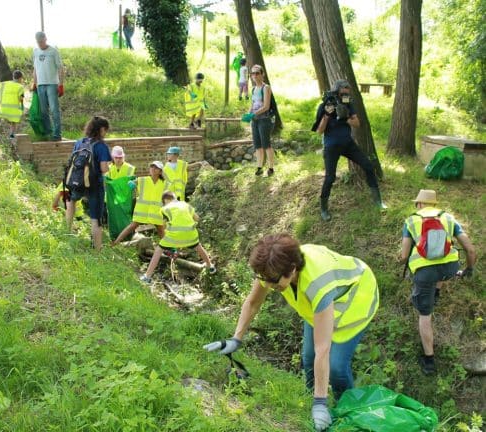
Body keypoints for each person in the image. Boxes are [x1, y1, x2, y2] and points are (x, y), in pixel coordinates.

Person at [204, 233, 379, 432]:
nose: (269, 286)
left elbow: (323, 349)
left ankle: (347, 411)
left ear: (292, 270)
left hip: (355, 301)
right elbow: (253, 303)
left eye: (274, 283)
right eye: (266, 281)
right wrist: (236, 338)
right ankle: (310, 401)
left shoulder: (317, 284)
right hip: (317, 306)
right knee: (307, 357)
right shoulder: (271, 269)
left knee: (337, 366)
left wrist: (321, 403)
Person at [400, 189, 476, 375]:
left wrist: (402, 259)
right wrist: (468, 269)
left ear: (418, 204)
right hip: (450, 268)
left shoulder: (411, 221)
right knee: (441, 273)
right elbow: (470, 249)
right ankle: (437, 292)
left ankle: (429, 361)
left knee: (425, 315)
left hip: (425, 274)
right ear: (434, 204)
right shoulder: (448, 218)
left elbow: (403, 256)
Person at [311, 79, 386, 221]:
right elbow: (319, 131)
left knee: (368, 166)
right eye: (345, 89)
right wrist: (327, 115)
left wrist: (344, 118)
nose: (347, 92)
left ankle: (378, 201)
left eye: (349, 89)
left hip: (348, 144)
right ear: (338, 90)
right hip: (331, 146)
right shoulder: (325, 105)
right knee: (330, 177)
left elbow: (357, 123)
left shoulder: (347, 103)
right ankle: (324, 208)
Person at [140, 191, 215, 283]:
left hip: (174, 236)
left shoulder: (164, 209)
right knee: (198, 246)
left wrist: (168, 241)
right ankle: (210, 266)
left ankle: (147, 276)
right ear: (174, 198)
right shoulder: (186, 205)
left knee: (159, 250)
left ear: (165, 200)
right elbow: (197, 218)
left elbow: (163, 226)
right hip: (190, 233)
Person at [66, 116, 112, 250]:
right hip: (94, 184)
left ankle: (66, 231)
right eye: (106, 130)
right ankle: (97, 249)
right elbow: (103, 169)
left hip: (77, 180)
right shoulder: (101, 146)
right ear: (102, 129)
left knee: (72, 202)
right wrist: (110, 167)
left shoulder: (80, 142)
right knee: (95, 217)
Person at [111, 161, 166, 245]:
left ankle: (170, 249)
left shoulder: (164, 183)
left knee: (161, 230)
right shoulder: (143, 180)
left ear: (160, 171)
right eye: (152, 167)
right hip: (142, 210)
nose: (153, 169)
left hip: (155, 211)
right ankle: (116, 242)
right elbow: (133, 182)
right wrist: (131, 183)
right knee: (132, 226)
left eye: (156, 168)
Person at [32, 31, 64, 141]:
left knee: (54, 110)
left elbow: (60, 68)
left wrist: (61, 84)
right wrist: (34, 83)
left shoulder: (53, 51)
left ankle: (57, 134)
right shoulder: (35, 51)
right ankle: (47, 132)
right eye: (38, 42)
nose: (40, 44)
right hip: (40, 84)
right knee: (44, 111)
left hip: (52, 83)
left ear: (45, 39)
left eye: (41, 41)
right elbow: (35, 69)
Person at [244, 64, 275, 177]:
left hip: (264, 119)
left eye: (257, 73)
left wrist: (253, 114)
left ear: (262, 74)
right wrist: (248, 114)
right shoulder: (253, 89)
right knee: (257, 145)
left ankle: (271, 168)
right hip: (255, 120)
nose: (255, 76)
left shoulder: (266, 87)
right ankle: (259, 167)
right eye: (253, 73)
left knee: (266, 144)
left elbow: (266, 106)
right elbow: (252, 104)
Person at [0, 70, 24, 139]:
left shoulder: (4, 84)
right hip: (13, 110)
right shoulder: (20, 87)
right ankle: (11, 136)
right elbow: (21, 99)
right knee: (13, 122)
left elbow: (0, 93)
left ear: (13, 77)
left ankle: (1, 125)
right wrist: (22, 107)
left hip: (3, 108)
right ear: (20, 78)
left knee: (6, 118)